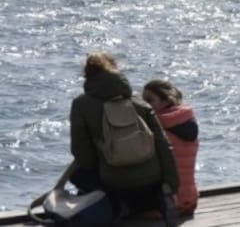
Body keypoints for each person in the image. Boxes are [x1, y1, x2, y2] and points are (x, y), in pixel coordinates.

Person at [69, 52, 179, 225]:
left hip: (113, 181)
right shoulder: (138, 101)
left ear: (87, 76)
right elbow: (163, 144)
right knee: (139, 177)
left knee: (78, 175)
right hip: (152, 180)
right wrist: (171, 184)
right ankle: (156, 200)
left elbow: (81, 152)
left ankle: (112, 207)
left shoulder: (81, 105)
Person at [143, 78, 200, 216]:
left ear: (166, 101)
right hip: (190, 200)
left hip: (168, 202)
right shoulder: (187, 120)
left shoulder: (157, 125)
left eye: (149, 100)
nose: (145, 105)